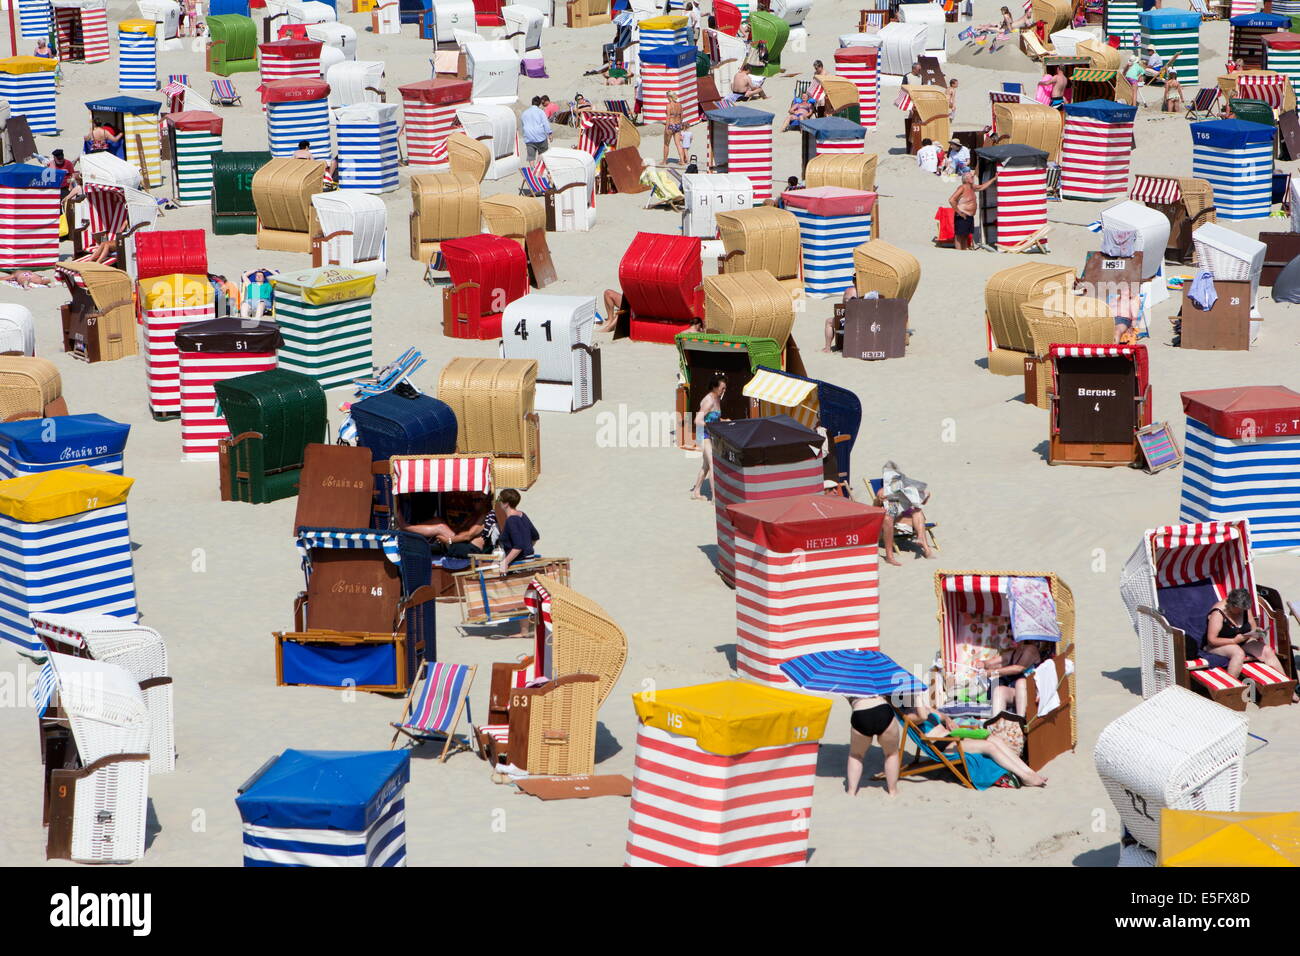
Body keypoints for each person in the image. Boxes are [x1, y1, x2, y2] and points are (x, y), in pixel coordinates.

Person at [1206, 589, 1296, 699]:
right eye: (1238, 610)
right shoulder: (1218, 613)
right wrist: (1234, 641)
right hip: (1218, 644)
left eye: (1243, 610)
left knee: (1266, 650)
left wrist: (1257, 633)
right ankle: (1228, 692)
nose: (1241, 612)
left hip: (1242, 639)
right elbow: (1212, 639)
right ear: (1231, 604)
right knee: (1238, 653)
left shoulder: (1244, 608)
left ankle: (1287, 688)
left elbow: (1253, 626)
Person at [401, 492, 495, 558]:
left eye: (478, 500)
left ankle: (405, 527)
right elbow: (460, 529)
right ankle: (410, 530)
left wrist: (448, 540)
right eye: (474, 500)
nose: (474, 503)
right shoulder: (474, 515)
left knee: (441, 527)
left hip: (471, 549)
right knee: (439, 521)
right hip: (463, 544)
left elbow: (468, 536)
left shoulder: (484, 516)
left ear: (485, 501)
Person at [873, 465, 936, 563]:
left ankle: (924, 545)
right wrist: (878, 500)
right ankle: (926, 549)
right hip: (894, 518)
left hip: (908, 517)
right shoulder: (883, 492)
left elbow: (920, 503)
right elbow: (875, 509)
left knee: (918, 512)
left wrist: (925, 496)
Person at [846, 694, 905, 796]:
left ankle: (851, 791)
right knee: (891, 754)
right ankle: (893, 791)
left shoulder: (848, 680)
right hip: (883, 709)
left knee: (856, 755)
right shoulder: (879, 678)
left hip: (860, 712)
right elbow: (896, 697)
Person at [977, 640, 1055, 717]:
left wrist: (992, 673)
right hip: (1017, 693)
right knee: (999, 690)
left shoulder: (1031, 649)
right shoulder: (1013, 653)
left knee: (1020, 682)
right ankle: (998, 724)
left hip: (1031, 692)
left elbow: (1018, 668)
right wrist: (983, 664)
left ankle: (1021, 719)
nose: (1011, 638)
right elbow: (992, 663)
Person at [690, 375, 726, 500]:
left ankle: (696, 492)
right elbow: (697, 420)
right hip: (704, 435)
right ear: (715, 387)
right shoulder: (709, 401)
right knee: (712, 464)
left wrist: (723, 420)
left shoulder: (717, 399)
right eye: (722, 388)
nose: (724, 391)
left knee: (706, 465)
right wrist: (711, 426)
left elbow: (713, 418)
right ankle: (716, 498)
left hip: (710, 434)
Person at [495, 488, 539, 573]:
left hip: (520, 564)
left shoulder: (511, 520)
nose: (498, 501)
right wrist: (527, 549)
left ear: (506, 504)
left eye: (499, 499)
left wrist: (505, 562)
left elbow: (518, 546)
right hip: (529, 560)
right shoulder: (522, 515)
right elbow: (535, 536)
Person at [949, 170, 994, 250]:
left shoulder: (972, 187)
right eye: (971, 176)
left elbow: (982, 187)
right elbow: (952, 200)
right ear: (966, 179)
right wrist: (959, 212)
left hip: (969, 216)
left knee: (966, 235)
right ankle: (958, 253)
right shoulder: (962, 187)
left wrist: (994, 179)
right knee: (959, 236)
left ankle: (964, 252)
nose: (973, 177)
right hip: (962, 214)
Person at [522, 95, 552, 161]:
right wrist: (549, 134)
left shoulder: (524, 113)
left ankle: (532, 169)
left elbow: (523, 125)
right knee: (542, 153)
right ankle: (538, 167)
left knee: (531, 156)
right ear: (539, 104)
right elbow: (545, 123)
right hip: (540, 137)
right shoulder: (541, 112)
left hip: (529, 137)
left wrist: (524, 135)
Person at [663, 91, 687, 164]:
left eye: (667, 97)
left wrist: (666, 128)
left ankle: (664, 161)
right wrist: (680, 124)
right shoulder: (679, 105)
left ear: (669, 97)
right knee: (678, 144)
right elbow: (682, 116)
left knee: (666, 144)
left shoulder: (669, 105)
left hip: (671, 125)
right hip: (678, 125)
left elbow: (668, 118)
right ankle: (682, 160)